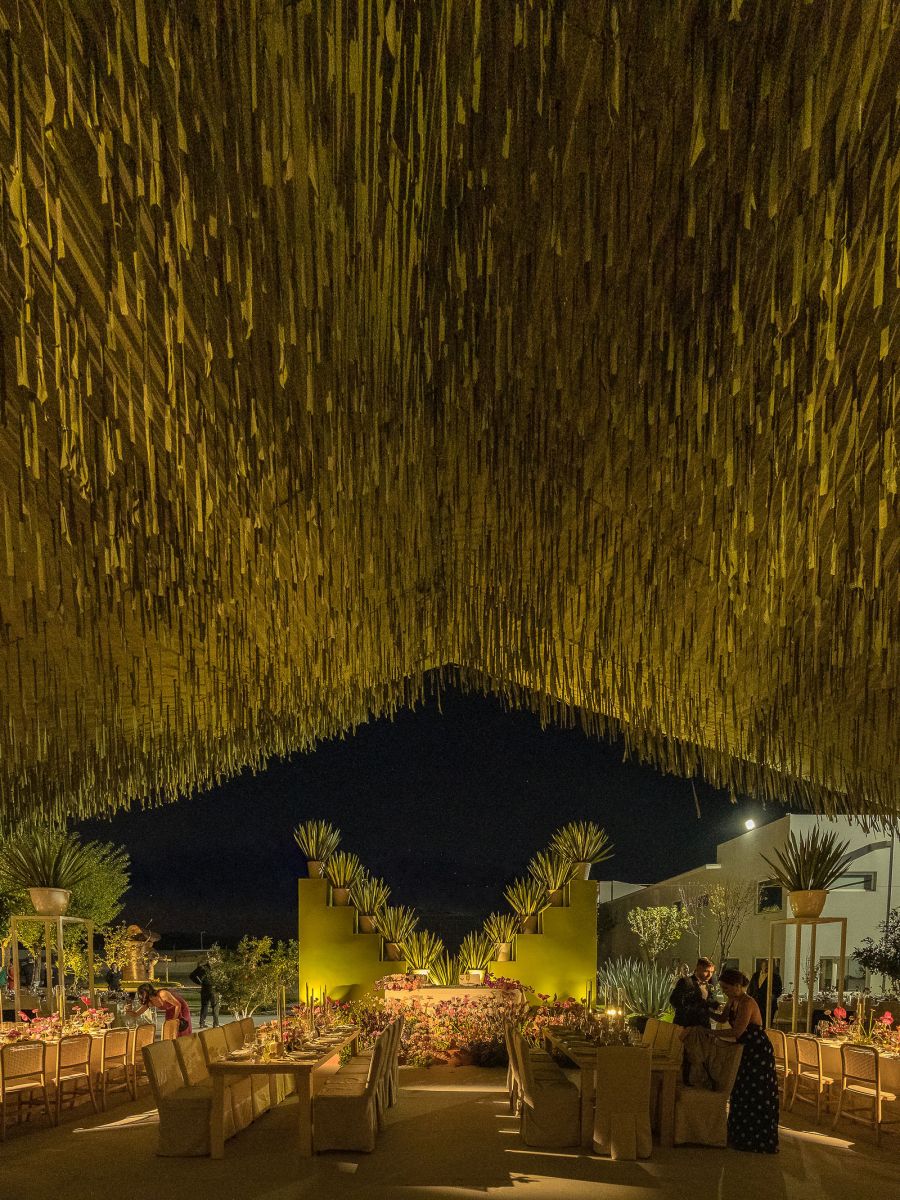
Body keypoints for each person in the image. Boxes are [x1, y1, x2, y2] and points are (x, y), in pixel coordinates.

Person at [713, 968, 779, 1153]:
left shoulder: (747, 1002)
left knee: (756, 1092)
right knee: (741, 1090)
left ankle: (756, 1139)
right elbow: (722, 1018)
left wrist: (711, 1033)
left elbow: (737, 1031)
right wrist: (704, 1009)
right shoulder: (733, 1001)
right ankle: (739, 1135)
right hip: (745, 1049)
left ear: (737, 986)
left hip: (757, 1050)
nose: (724, 992)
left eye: (726, 988)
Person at [670, 957, 720, 1028]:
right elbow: (674, 1001)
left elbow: (708, 1000)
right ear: (698, 969)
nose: (709, 975)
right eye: (706, 971)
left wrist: (718, 1006)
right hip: (687, 1027)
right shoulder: (686, 982)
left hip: (703, 1028)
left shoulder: (708, 985)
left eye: (711, 972)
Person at [190, 956, 220, 1029]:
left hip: (204, 989)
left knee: (204, 1006)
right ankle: (216, 1024)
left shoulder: (202, 967)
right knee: (215, 1006)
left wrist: (199, 982)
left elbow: (191, 975)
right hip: (213, 989)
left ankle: (202, 1023)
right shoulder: (216, 969)